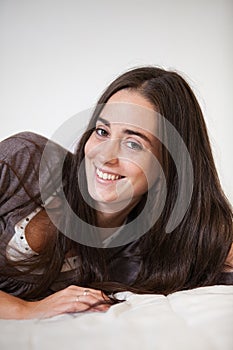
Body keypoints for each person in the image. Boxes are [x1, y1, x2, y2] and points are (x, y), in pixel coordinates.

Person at [0, 66, 232, 320]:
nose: (105, 156)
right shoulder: (23, 161)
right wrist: (26, 309)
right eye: (102, 132)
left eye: (133, 143)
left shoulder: (143, 252)